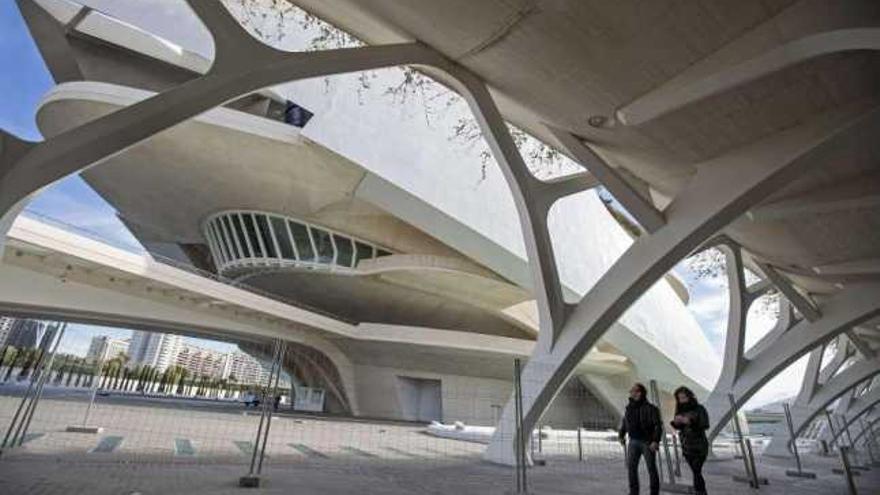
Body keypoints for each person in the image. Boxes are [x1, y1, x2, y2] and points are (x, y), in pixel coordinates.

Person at [619, 383, 662, 495]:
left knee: (651, 469)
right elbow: (625, 422)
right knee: (631, 469)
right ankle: (633, 492)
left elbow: (658, 426)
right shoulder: (629, 408)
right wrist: (621, 435)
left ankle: (654, 492)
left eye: (633, 390)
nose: (630, 392)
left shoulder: (651, 409)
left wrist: (655, 441)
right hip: (633, 441)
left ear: (639, 393)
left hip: (647, 442)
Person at [670, 386, 710, 495]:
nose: (682, 400)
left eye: (684, 397)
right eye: (679, 398)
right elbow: (680, 428)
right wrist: (676, 423)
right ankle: (700, 491)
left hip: (699, 446)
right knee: (696, 472)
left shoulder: (699, 409)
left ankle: (700, 491)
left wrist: (690, 422)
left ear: (690, 397)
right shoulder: (680, 411)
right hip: (687, 447)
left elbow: (705, 425)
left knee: (696, 471)